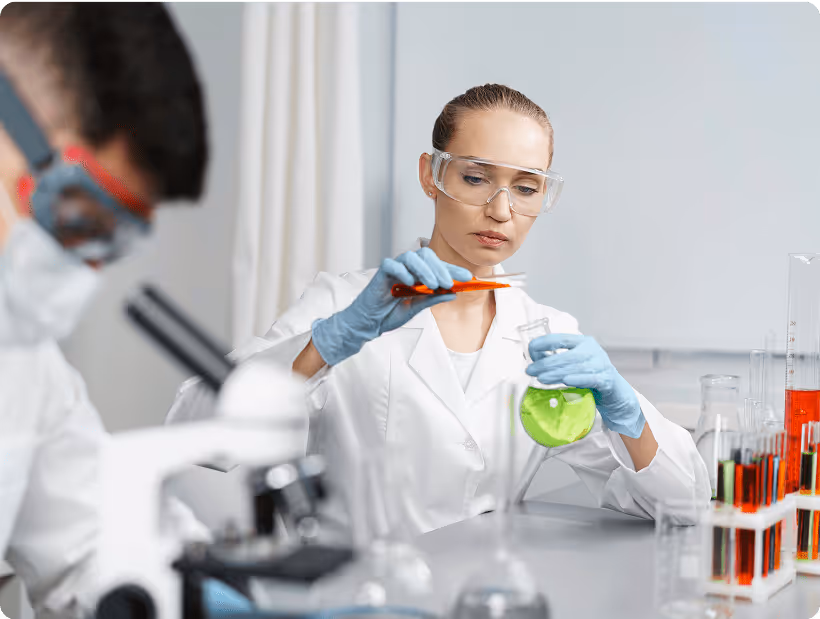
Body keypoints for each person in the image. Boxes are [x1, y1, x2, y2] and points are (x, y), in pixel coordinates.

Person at [168, 84, 711, 534]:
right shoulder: (342, 302)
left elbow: (686, 504)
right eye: (476, 178)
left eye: (526, 188)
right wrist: (328, 344)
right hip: (359, 597)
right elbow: (196, 432)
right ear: (432, 174)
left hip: (483, 594)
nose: (501, 210)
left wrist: (626, 413)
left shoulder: (545, 336)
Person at [0, 3, 208, 615]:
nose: (77, 266)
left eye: (107, 239)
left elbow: (88, 549)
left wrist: (218, 595)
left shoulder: (24, 362)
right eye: (75, 219)